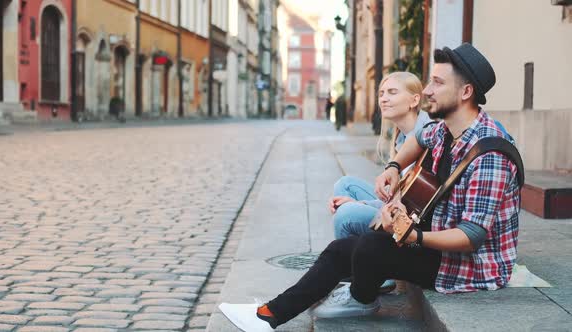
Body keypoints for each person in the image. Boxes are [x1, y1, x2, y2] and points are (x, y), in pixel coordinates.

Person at [219, 43, 521, 332]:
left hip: (471, 265)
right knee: (341, 249)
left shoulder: (489, 154)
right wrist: (393, 168)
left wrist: (413, 234)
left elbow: (471, 236)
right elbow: (419, 139)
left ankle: (361, 299)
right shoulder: (445, 129)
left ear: (466, 92)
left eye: (437, 83)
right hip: (439, 232)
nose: (427, 89)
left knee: (370, 246)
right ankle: (268, 315)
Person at [329, 71, 431, 293]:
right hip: (400, 204)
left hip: (412, 218)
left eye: (392, 92)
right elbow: (399, 193)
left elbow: (411, 203)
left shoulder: (427, 134)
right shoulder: (402, 135)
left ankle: (365, 277)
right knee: (344, 185)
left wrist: (360, 206)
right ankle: (362, 263)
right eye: (381, 93)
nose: (383, 98)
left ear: (415, 100)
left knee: (345, 215)